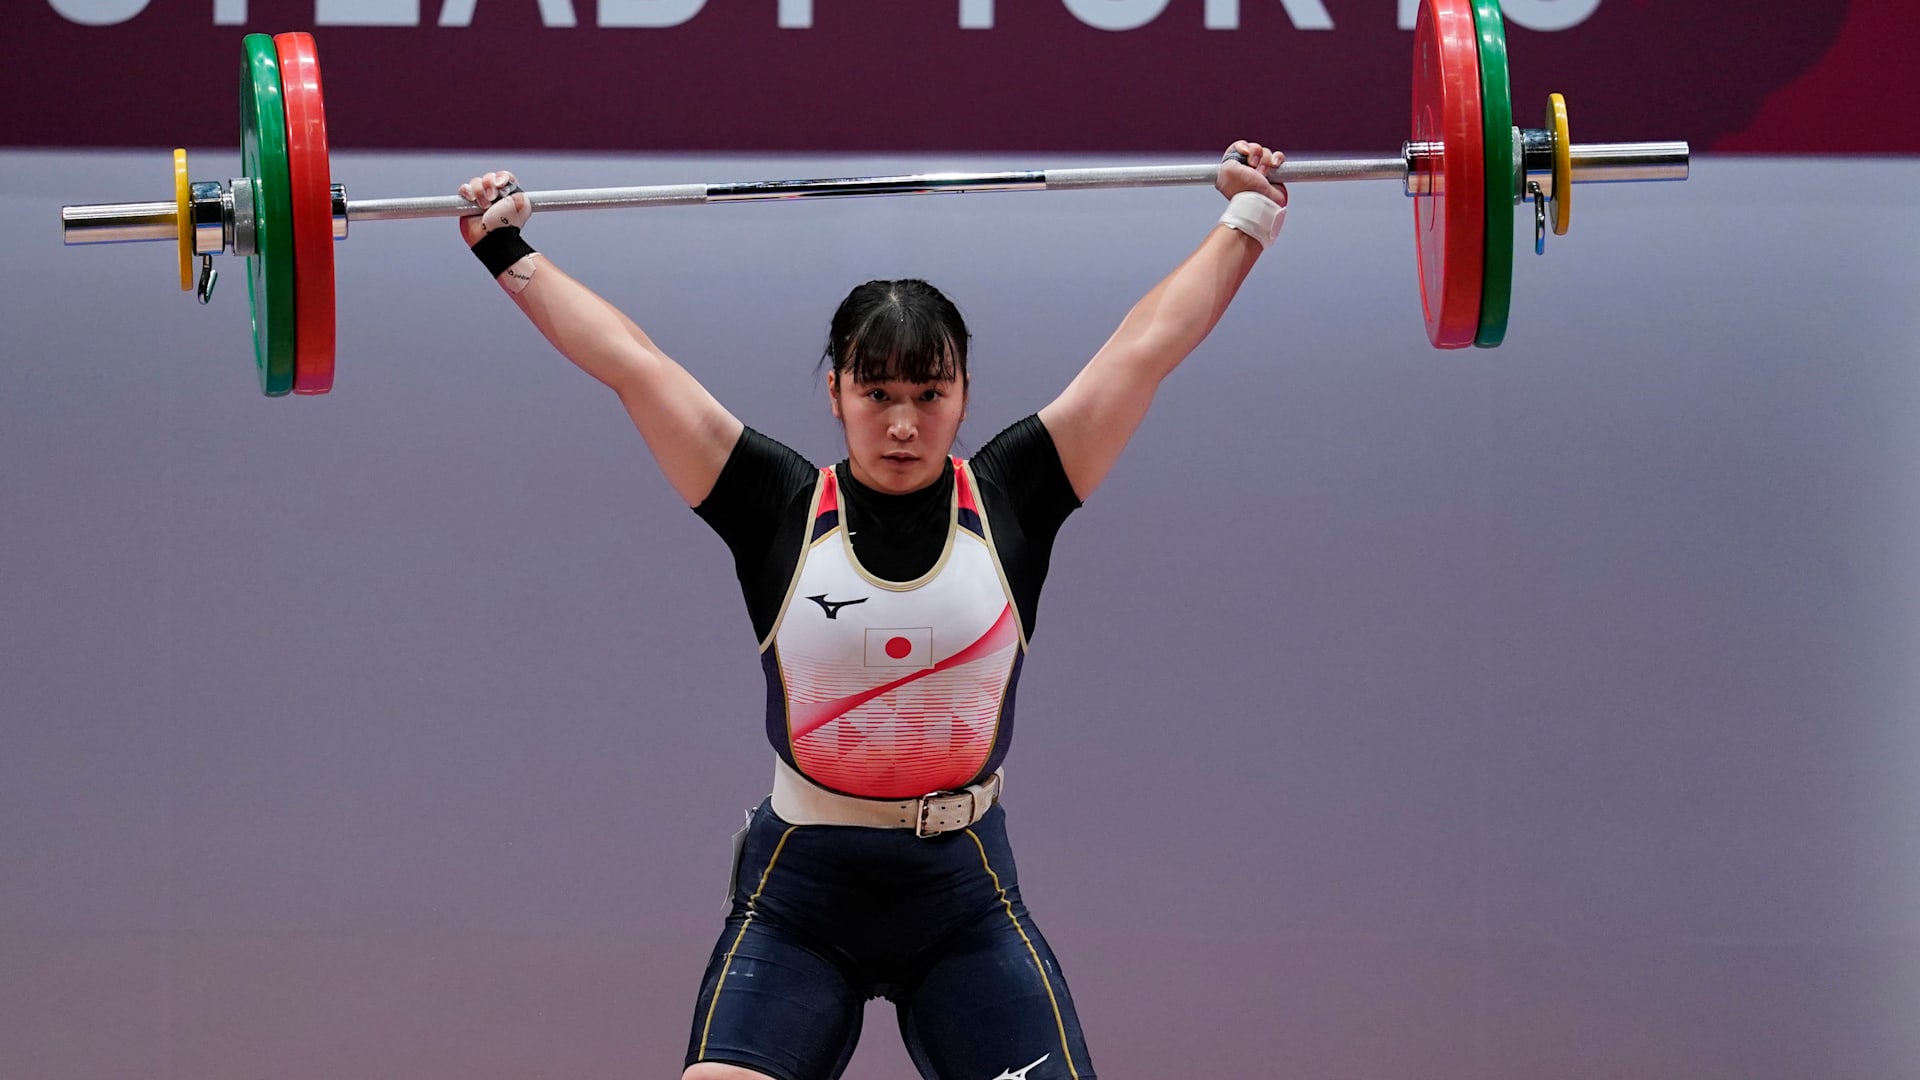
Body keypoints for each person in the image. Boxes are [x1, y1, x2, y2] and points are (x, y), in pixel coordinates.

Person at [456, 141, 1288, 1080]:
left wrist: (1248, 216)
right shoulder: (775, 504)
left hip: (962, 898)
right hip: (800, 901)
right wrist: (506, 251)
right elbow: (634, 365)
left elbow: (1145, 347)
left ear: (964, 394)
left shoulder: (1014, 496)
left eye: (930, 394)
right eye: (877, 393)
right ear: (836, 392)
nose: (902, 423)